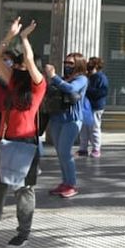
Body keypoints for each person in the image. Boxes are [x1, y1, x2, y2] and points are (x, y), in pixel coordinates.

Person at [0, 18, 46, 248]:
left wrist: (24, 38)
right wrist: (9, 35)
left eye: (21, 65)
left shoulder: (38, 85)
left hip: (26, 143)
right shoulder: (13, 81)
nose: (18, 67)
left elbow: (30, 60)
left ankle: (23, 233)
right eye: (17, 65)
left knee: (23, 190)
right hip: (4, 141)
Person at [45, 51, 89, 199]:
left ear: (79, 64)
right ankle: (65, 182)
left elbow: (71, 89)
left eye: (71, 63)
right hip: (57, 118)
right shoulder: (63, 79)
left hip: (72, 119)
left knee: (65, 152)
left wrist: (54, 77)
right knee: (60, 153)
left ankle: (72, 185)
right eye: (66, 63)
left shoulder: (82, 79)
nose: (67, 65)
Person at [78, 56, 109, 158]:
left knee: (94, 128)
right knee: (84, 128)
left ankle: (96, 148)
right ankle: (83, 148)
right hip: (86, 106)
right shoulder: (88, 77)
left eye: (91, 65)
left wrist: (88, 90)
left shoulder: (101, 78)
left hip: (95, 106)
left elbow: (102, 92)